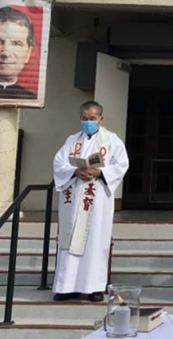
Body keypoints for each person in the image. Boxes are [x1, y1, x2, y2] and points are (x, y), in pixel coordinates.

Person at [52, 101, 129, 302]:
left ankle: (94, 287)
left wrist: (100, 171)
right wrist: (75, 171)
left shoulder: (112, 140)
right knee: (69, 239)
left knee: (95, 240)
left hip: (97, 197)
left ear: (100, 119)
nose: (88, 122)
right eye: (85, 118)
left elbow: (122, 164)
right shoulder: (71, 140)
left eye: (92, 119)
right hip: (75, 193)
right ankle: (66, 287)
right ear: (80, 118)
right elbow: (59, 162)